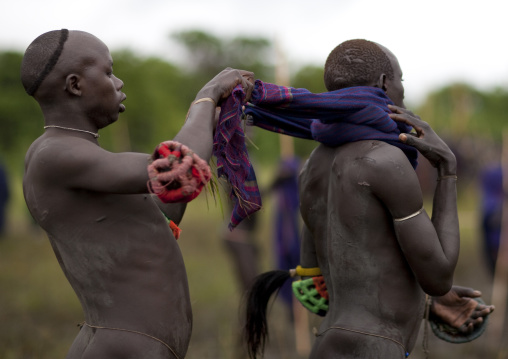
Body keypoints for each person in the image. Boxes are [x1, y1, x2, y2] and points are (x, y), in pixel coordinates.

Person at [242, 39, 494, 358]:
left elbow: (318, 290)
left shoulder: (312, 168)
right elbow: (439, 276)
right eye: (401, 81)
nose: (403, 91)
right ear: (385, 83)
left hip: (326, 344)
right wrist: (447, 169)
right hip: (375, 348)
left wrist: (424, 305)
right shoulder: (385, 160)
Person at [21, 29, 253, 359]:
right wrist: (207, 96)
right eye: (108, 71)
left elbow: (161, 212)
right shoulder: (55, 155)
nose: (119, 83)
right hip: (125, 348)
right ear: (75, 85)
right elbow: (176, 171)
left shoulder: (80, 156)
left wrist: (210, 125)